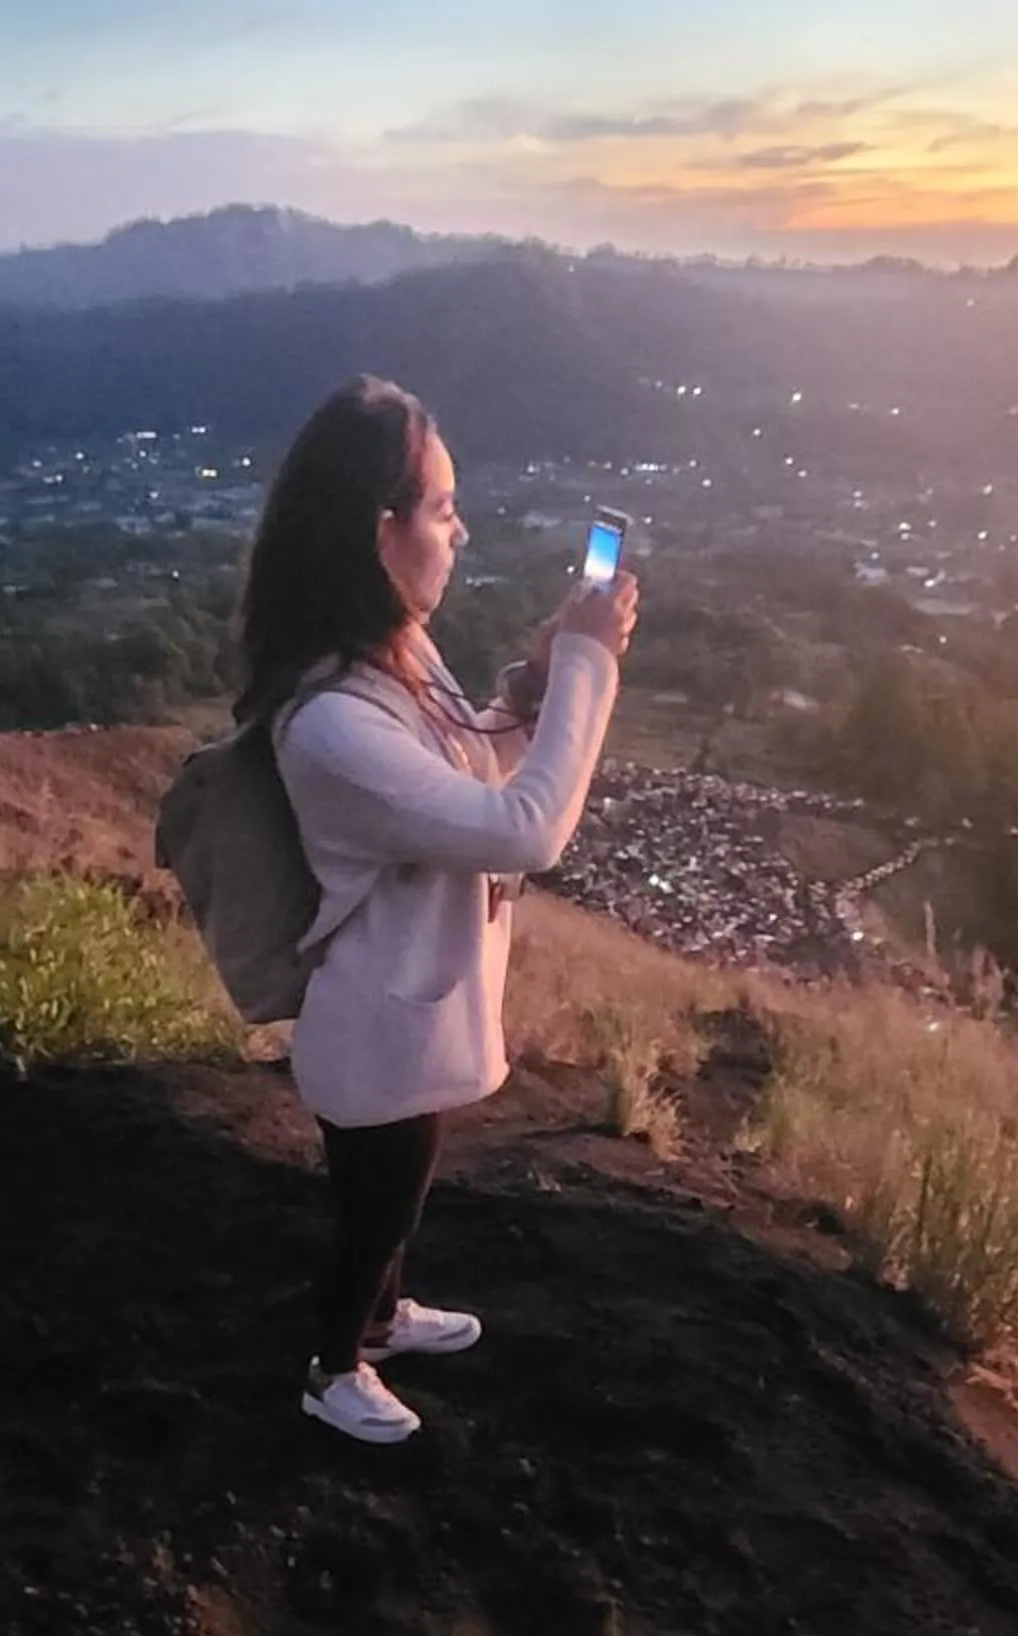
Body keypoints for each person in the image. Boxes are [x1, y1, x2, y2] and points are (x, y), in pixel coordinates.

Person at [231, 374, 637, 1444]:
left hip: (413, 1000)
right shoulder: (329, 719)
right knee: (381, 1205)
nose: (460, 531)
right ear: (382, 530)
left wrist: (535, 687)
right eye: (444, 509)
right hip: (373, 1020)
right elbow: (522, 830)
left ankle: (383, 1318)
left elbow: (466, 769)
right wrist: (592, 664)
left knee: (400, 1187)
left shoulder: (389, 657)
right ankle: (332, 1366)